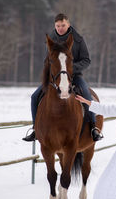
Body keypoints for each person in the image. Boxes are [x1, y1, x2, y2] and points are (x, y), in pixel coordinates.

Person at [23, 13, 103, 142]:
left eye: (63, 25)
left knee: (87, 96)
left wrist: (71, 68)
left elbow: (86, 60)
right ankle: (35, 129)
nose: (60, 28)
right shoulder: (51, 40)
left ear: (68, 25)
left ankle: (93, 128)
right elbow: (47, 60)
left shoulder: (78, 39)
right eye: (58, 25)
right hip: (55, 78)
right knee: (34, 97)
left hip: (74, 76)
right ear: (55, 25)